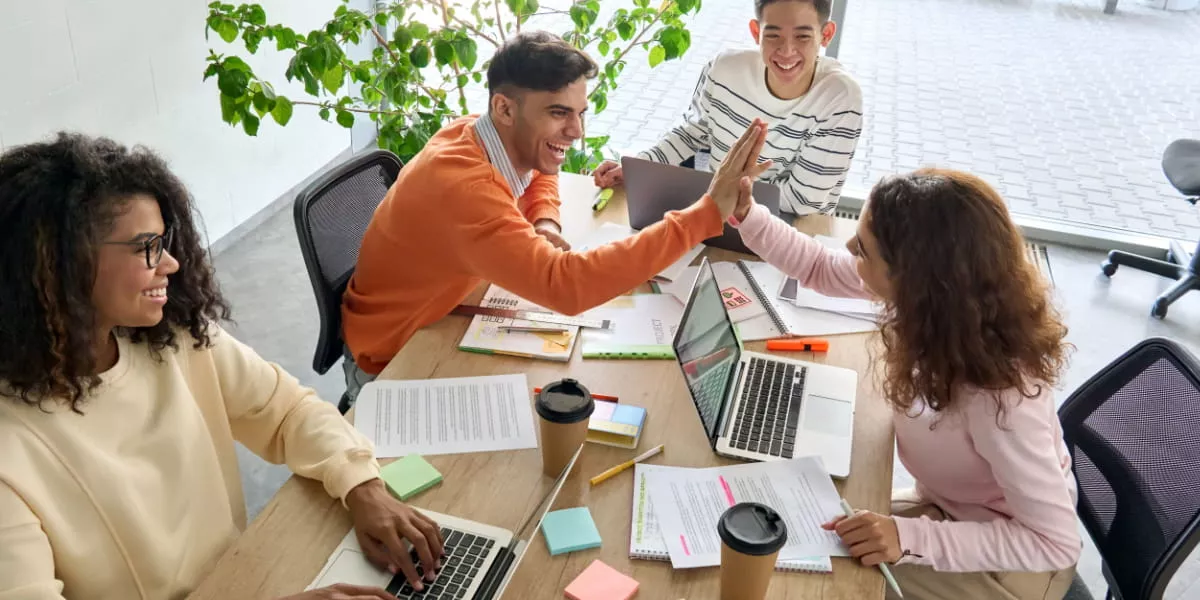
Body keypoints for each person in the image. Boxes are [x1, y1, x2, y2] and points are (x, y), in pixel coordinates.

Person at [0, 133, 444, 600]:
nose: (169, 262)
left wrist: (363, 486)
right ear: (58, 267)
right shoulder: (12, 451)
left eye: (164, 241)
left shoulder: (172, 338)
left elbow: (288, 411)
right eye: (146, 246)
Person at [341, 31, 771, 392]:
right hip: (391, 360)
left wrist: (544, 219)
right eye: (559, 113)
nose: (577, 131)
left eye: (580, 113)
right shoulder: (463, 188)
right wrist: (704, 214)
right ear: (504, 109)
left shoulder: (476, 133)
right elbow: (567, 286)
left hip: (442, 314)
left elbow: (537, 168)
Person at [728, 169, 1080, 600]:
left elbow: (1054, 542)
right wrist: (748, 215)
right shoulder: (939, 312)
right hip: (951, 512)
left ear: (915, 281)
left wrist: (908, 537)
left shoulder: (997, 397)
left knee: (807, 581)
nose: (848, 249)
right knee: (797, 530)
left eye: (863, 250)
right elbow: (819, 267)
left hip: (1011, 567)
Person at [593, 0, 863, 216]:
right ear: (756, 32)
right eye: (773, 35)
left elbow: (803, 202)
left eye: (803, 36)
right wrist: (638, 166)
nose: (787, 50)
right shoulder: (723, 69)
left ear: (825, 35)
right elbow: (691, 134)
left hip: (790, 232)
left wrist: (720, 193)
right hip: (716, 216)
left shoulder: (840, 97)